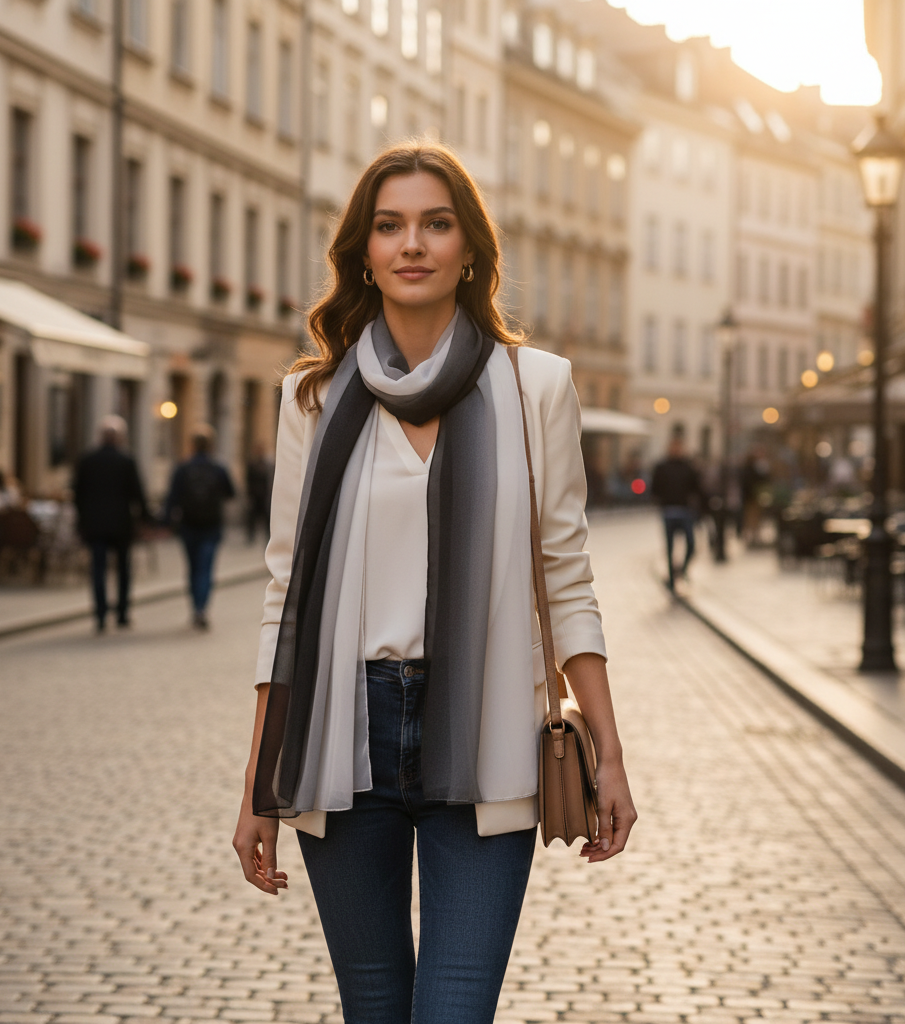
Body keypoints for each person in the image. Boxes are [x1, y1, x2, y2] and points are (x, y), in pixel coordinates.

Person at [232, 141, 637, 1024]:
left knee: (455, 1010)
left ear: (469, 251)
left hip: (488, 729)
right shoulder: (314, 398)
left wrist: (610, 755)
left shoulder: (537, 387)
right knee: (373, 1009)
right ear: (365, 256)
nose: (412, 243)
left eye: (435, 224)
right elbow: (284, 600)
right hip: (345, 734)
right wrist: (259, 780)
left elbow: (567, 581)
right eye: (389, 226)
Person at [72, 415, 148, 632]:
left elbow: (78, 494)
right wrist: (145, 519)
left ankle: (100, 614)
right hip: (121, 524)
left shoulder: (87, 460)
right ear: (119, 438)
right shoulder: (126, 460)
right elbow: (137, 494)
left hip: (94, 525)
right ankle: (122, 613)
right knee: (123, 569)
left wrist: (81, 520)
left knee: (98, 569)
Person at [164, 424, 235, 629]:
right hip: (211, 526)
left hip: (189, 526)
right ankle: (202, 608)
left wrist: (166, 522)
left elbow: (172, 498)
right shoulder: (218, 468)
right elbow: (231, 493)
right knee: (206, 568)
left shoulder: (183, 469)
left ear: (193, 446)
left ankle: (195, 606)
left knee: (193, 568)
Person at [650, 424, 702, 589]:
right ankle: (672, 580)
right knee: (670, 548)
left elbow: (697, 488)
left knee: (691, 545)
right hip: (668, 511)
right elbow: (655, 488)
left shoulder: (689, 467)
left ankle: (682, 570)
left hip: (685, 511)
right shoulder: (661, 466)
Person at [244, 445, 275, 542]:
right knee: (252, 518)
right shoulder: (252, 464)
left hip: (264, 495)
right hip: (254, 495)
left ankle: (268, 536)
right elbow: (248, 481)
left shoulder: (267, 465)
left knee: (266, 518)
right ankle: (251, 536)